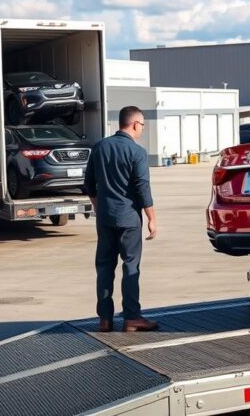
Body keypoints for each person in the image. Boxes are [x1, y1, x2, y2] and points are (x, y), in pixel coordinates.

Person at [84, 105, 159, 332]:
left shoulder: (100, 147)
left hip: (105, 218)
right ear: (135, 124)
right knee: (130, 266)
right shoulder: (137, 152)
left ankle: (105, 319)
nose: (142, 129)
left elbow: (88, 184)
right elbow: (142, 187)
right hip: (128, 219)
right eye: (143, 125)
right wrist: (152, 218)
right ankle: (132, 318)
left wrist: (99, 208)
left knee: (104, 267)